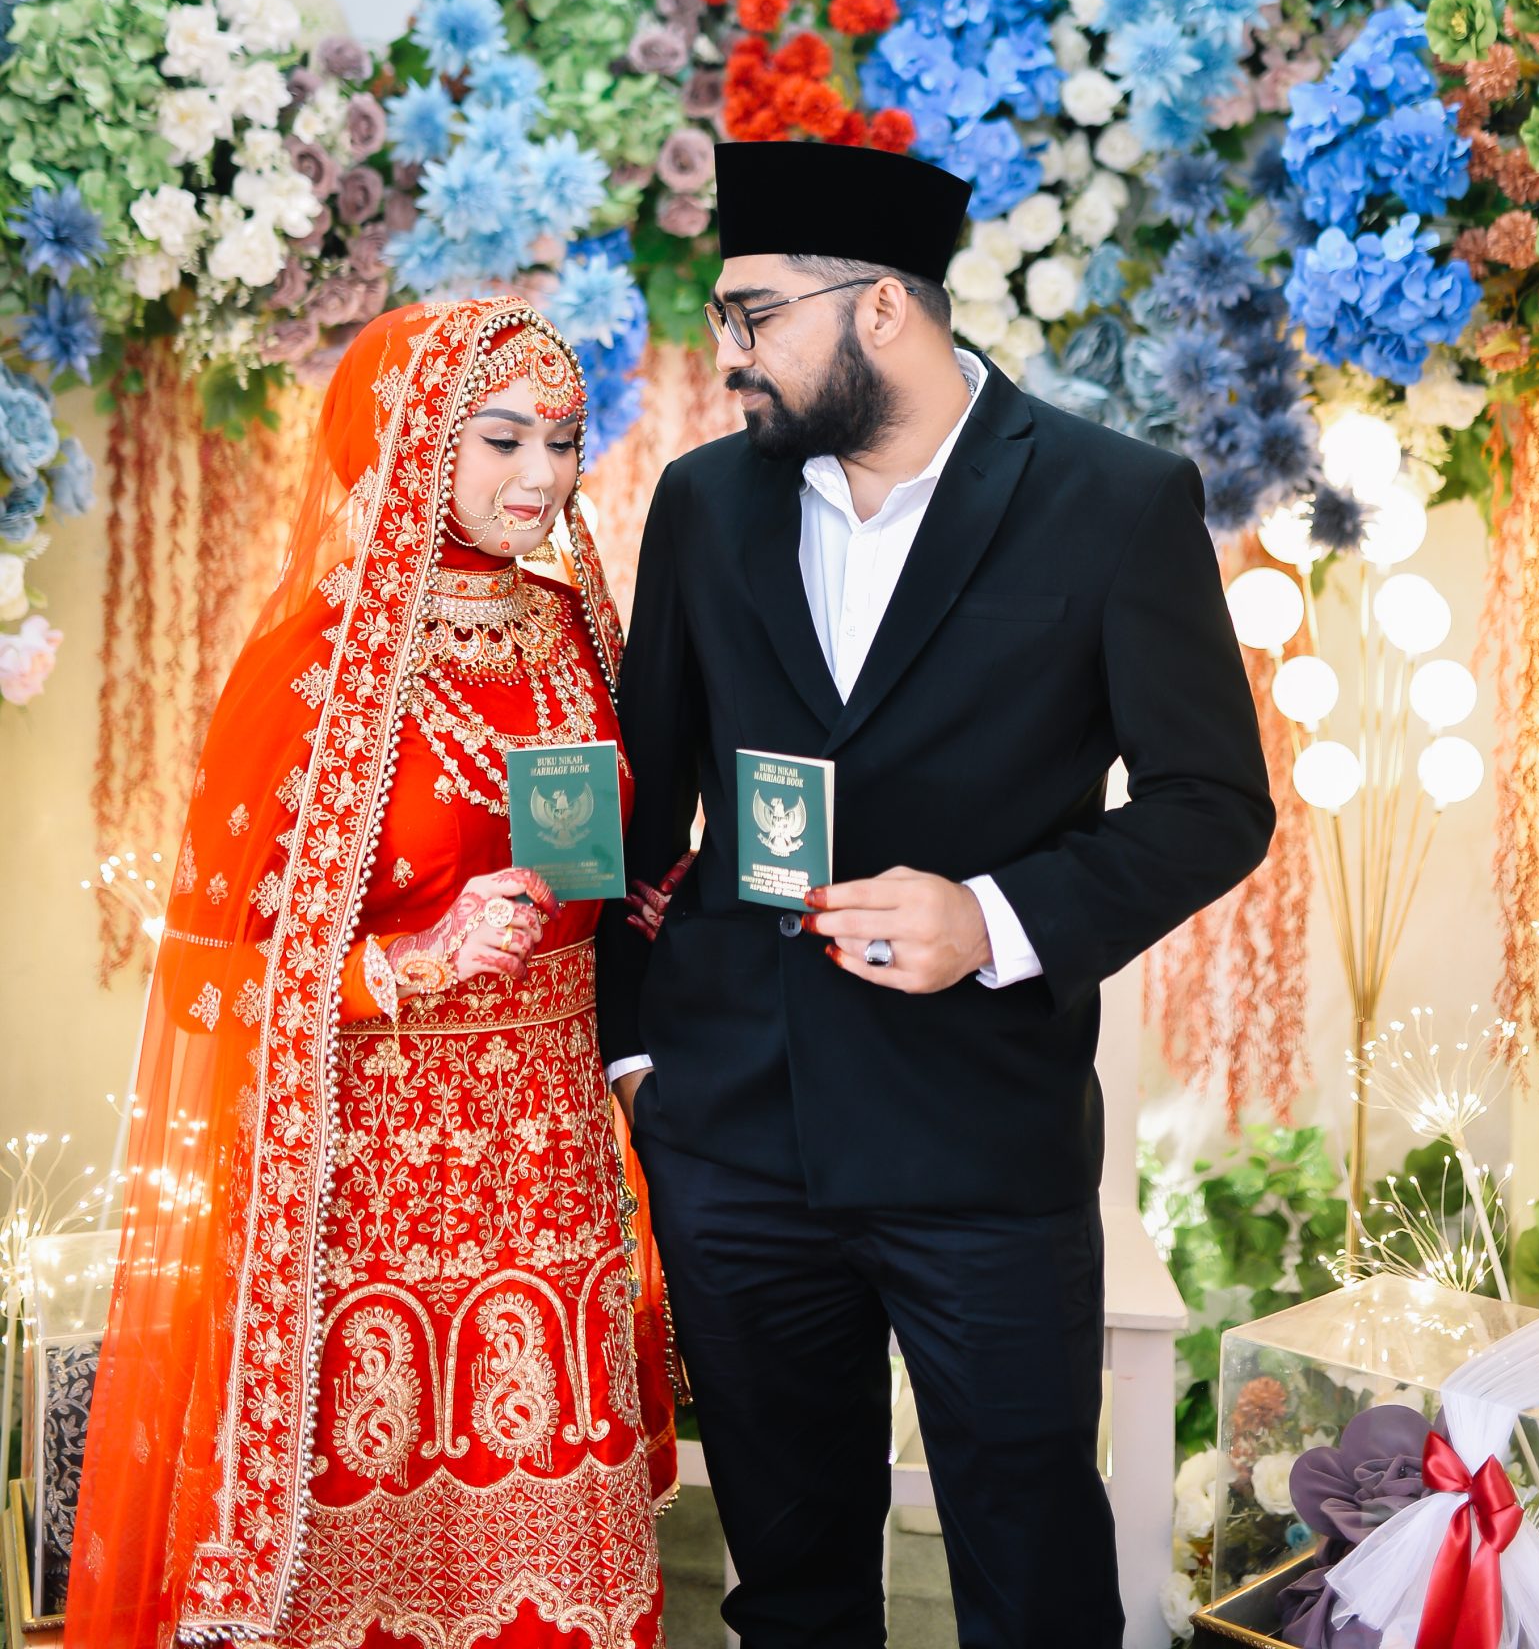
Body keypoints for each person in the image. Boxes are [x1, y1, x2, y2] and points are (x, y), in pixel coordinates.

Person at [599, 139, 1275, 1649]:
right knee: (790, 1586)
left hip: (983, 1138)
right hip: (734, 1141)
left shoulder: (1115, 501)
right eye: (723, 317)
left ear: (883, 309)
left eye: (756, 315)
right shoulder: (704, 503)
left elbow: (1214, 806)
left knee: (1033, 1581)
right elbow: (648, 795)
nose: (729, 354)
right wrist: (636, 1052)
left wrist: (994, 919)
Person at [66, 298, 673, 1649]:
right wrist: (405, 962)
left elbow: (599, 846)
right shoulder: (320, 666)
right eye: (501, 440)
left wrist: (650, 891)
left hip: (554, 1166)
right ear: (409, 446)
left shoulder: (578, 630)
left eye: (562, 441)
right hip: (369, 1184)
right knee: (376, 1553)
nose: (542, 476)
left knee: (554, 1553)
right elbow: (209, 981)